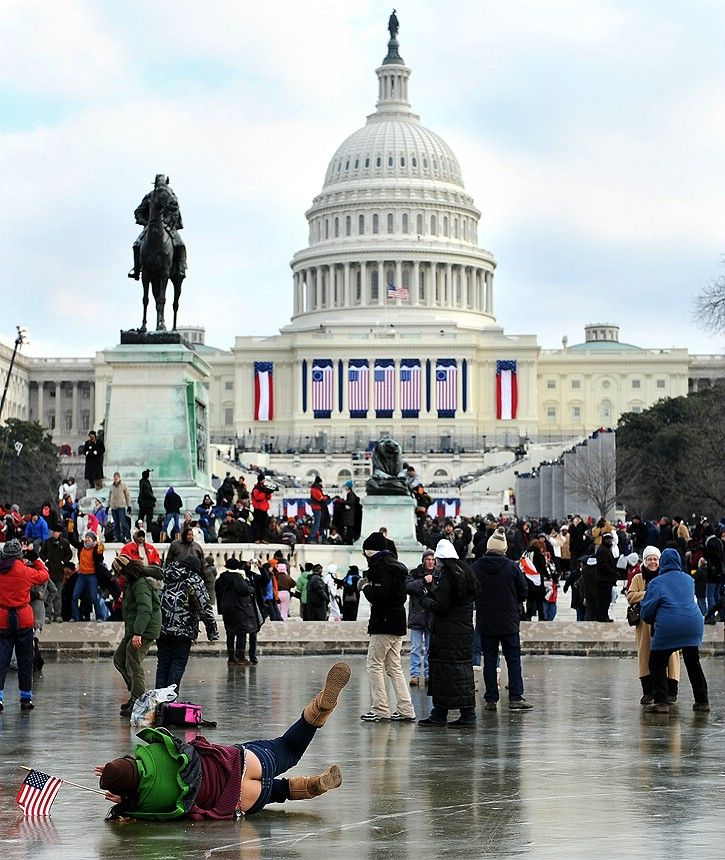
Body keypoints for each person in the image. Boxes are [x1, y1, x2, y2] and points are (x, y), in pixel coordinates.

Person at [96, 662, 351, 819]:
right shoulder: (154, 753)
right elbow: (162, 738)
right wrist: (124, 764)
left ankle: (314, 785)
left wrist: (128, 798)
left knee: (276, 792)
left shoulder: (147, 804)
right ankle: (320, 707)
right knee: (287, 749)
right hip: (242, 763)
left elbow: (155, 811)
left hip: (241, 801)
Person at [640, 548, 709, 713]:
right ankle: (702, 701)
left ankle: (661, 701)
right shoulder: (688, 579)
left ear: (662, 562)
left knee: (656, 662)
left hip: (669, 626)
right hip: (694, 624)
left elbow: (647, 610)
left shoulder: (657, 582)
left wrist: (651, 620)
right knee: (693, 662)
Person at [418, 539, 477, 728]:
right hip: (463, 632)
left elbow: (441, 606)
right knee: (461, 671)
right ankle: (460, 712)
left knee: (443, 671)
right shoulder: (465, 573)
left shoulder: (448, 577)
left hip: (447, 633)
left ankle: (444, 713)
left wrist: (424, 598)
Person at [472, 526, 532, 711]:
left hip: (486, 621)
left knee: (489, 660)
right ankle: (515, 697)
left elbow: (471, 591)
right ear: (504, 549)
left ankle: (491, 698)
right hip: (508, 621)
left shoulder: (476, 567)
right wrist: (514, 601)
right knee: (513, 659)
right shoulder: (512, 567)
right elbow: (524, 591)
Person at [359, 531, 416, 723]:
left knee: (374, 665)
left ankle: (381, 708)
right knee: (394, 667)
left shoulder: (379, 568)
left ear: (369, 551)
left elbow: (379, 597)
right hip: (398, 621)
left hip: (383, 622)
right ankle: (406, 708)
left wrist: (365, 587)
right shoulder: (397, 567)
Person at [155, 557, 219, 694]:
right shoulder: (194, 579)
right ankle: (169, 700)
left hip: (162, 628)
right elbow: (205, 608)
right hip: (183, 629)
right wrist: (212, 631)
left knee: (163, 663)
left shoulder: (166, 575)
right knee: (178, 663)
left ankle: (158, 700)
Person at [0, 540, 49, 711]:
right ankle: (25, 698)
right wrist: (36, 559)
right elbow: (44, 575)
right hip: (23, 619)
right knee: (25, 660)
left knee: (2, 660)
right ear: (20, 555)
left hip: (3, 619)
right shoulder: (25, 571)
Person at [111, 556, 163, 716]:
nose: (119, 578)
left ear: (125, 572)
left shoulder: (140, 584)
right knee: (119, 659)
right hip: (134, 629)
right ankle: (135, 694)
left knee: (133, 659)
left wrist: (138, 633)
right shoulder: (132, 583)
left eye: (120, 574)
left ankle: (139, 701)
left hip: (144, 629)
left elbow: (145, 609)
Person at [128, 174, 186, 281]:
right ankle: (136, 270)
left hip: (170, 227)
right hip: (150, 227)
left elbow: (177, 214)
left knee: (180, 244)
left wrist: (172, 223)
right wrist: (145, 222)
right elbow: (138, 212)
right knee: (136, 244)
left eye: (163, 185)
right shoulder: (150, 197)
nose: (161, 187)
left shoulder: (171, 196)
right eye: (159, 185)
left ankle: (181, 268)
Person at [215, 559, 262, 665]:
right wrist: (251, 589)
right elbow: (243, 589)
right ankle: (241, 657)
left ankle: (231, 658)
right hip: (239, 609)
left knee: (230, 633)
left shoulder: (221, 578)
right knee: (241, 633)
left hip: (227, 609)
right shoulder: (238, 577)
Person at [405, 549, 434, 687]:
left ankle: (429, 675)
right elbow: (408, 587)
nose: (430, 561)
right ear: (423, 561)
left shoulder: (438, 574)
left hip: (432, 616)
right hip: (418, 616)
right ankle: (414, 675)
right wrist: (423, 581)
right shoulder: (414, 573)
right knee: (416, 648)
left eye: (432, 559)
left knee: (430, 649)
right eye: (428, 559)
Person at [71, 532, 110, 622]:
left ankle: (99, 616)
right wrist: (71, 531)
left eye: (89, 538)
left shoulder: (95, 548)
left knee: (93, 597)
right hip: (82, 575)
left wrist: (100, 552)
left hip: (92, 575)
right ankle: (75, 617)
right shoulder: (82, 546)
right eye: (86, 537)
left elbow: (100, 560)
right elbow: (73, 541)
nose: (87, 539)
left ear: (93, 540)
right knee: (75, 596)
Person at [40, 524, 73, 622]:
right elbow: (42, 553)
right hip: (49, 572)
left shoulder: (64, 543)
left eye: (55, 532)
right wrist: (46, 561)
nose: (53, 533)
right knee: (48, 594)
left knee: (58, 594)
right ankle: (48, 615)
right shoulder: (47, 542)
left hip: (59, 572)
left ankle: (58, 615)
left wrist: (63, 562)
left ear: (59, 533)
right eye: (53, 531)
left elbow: (69, 554)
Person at [109, 472, 132, 543]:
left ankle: (128, 536)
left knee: (123, 522)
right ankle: (117, 537)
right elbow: (110, 496)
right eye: (114, 478)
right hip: (113, 507)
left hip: (121, 506)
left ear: (119, 478)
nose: (116, 479)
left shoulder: (124, 485)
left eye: (117, 478)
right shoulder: (111, 486)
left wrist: (129, 505)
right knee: (116, 524)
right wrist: (108, 505)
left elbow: (127, 495)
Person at [251, 474, 274, 543]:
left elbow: (268, 498)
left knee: (264, 524)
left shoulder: (263, 488)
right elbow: (257, 498)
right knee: (258, 524)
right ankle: (257, 538)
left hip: (264, 509)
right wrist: (264, 492)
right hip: (258, 509)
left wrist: (269, 492)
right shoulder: (256, 488)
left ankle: (263, 538)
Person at [309, 476, 329, 543]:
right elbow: (319, 498)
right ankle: (311, 538)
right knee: (317, 524)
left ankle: (322, 537)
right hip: (317, 508)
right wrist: (326, 497)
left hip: (318, 508)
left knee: (320, 524)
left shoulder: (315, 489)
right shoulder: (315, 489)